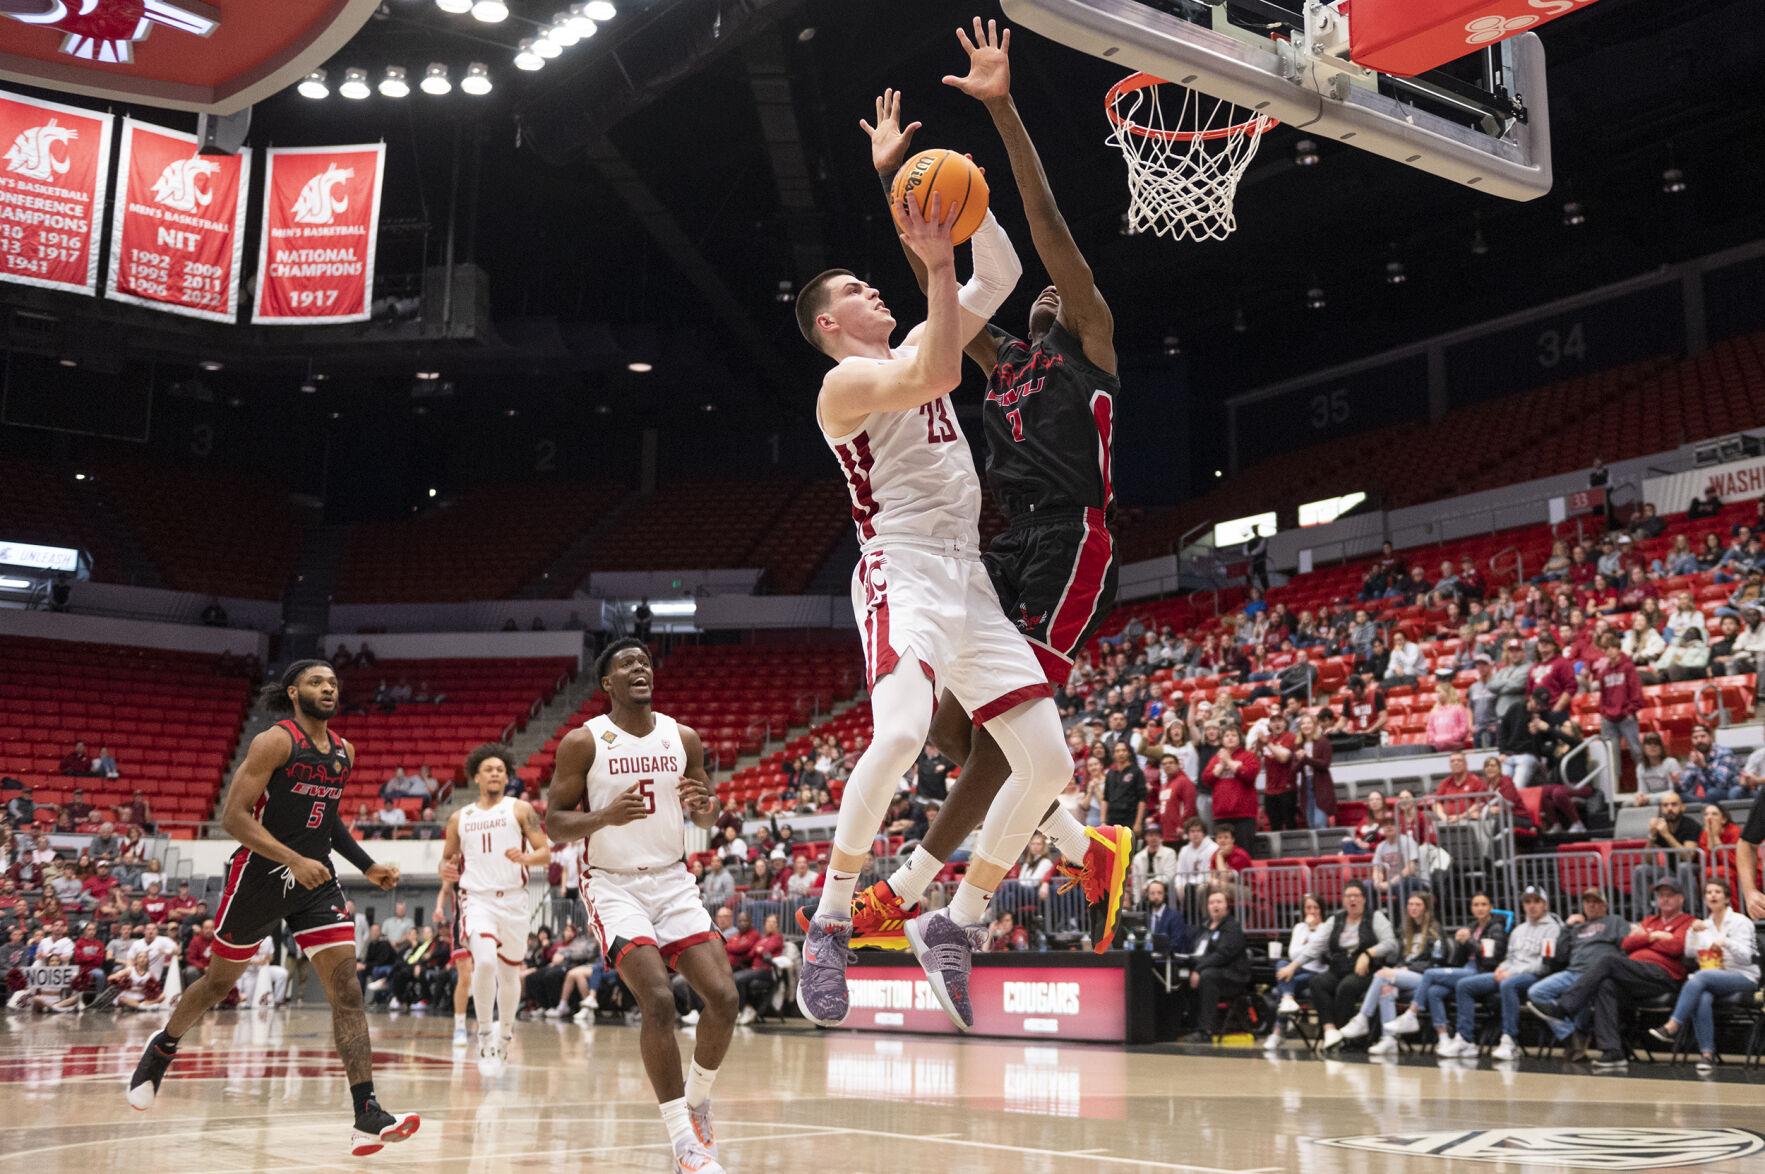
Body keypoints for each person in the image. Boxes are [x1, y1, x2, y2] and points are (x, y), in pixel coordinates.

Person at [793, 37, 1109, 1035]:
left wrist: (908, 182)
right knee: (895, 733)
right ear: (832, 325)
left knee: (1050, 763)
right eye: (853, 289)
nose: (869, 290)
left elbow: (1006, 263)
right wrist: (928, 260)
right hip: (900, 572)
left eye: (872, 279)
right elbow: (932, 375)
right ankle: (831, 919)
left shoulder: (926, 334)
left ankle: (954, 922)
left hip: (969, 578)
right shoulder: (843, 384)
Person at [125, 660, 417, 1157]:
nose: (328, 688)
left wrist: (366, 866)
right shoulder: (274, 742)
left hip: (315, 880)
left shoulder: (344, 752)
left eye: (332, 682)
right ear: (294, 692)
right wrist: (291, 858)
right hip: (259, 874)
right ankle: (163, 1047)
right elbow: (232, 818)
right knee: (219, 982)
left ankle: (367, 1113)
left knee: (347, 989)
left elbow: (329, 820)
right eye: (316, 682)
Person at [544, 638, 735, 1174]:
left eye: (645, 662)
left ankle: (697, 1103)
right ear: (607, 683)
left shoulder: (684, 737)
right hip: (613, 884)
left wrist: (705, 807)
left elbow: (706, 815)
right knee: (659, 1001)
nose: (640, 668)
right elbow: (554, 822)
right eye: (627, 663)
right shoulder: (584, 742)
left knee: (724, 999)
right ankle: (684, 1142)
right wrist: (603, 817)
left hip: (674, 881)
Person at [436, 744, 550, 1075]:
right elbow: (447, 858)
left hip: (514, 899)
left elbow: (545, 851)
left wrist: (526, 858)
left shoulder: (521, 810)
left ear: (507, 775)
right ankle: (484, 1033)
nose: (496, 773)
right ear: (476, 776)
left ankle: (505, 1034)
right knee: (483, 962)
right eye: (489, 769)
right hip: (477, 899)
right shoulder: (460, 818)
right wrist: (445, 870)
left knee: (509, 972)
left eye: (501, 769)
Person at [1539, 879, 1694, 1070]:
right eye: (1661, 895)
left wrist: (1643, 939)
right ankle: (1612, 1052)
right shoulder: (1649, 921)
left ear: (1680, 898)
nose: (1665, 899)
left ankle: (1564, 1008)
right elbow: (1627, 944)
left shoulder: (1688, 921)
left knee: (1608, 961)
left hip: (1662, 975)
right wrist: (1653, 936)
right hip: (1635, 974)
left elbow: (1676, 946)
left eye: (1670, 895)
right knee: (1605, 985)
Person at [1648, 878, 1759, 1070]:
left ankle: (1672, 1025)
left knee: (1699, 977)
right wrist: (1692, 932)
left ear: (1726, 898)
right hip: (1714, 978)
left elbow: (1746, 958)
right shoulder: (1704, 924)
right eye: (1708, 892)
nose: (1712, 895)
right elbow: (1691, 953)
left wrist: (1727, 943)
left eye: (1717, 892)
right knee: (1702, 996)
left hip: (1743, 976)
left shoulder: (1741, 922)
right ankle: (1707, 1055)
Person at [1447, 885, 1561, 1060]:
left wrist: (1512, 972)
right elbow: (1510, 957)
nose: (1532, 905)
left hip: (1534, 976)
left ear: (1545, 905)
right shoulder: (1518, 930)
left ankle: (1510, 1041)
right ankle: (1466, 1040)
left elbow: (1544, 965)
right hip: (1511, 972)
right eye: (1528, 902)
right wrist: (1502, 967)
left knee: (1508, 984)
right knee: (1464, 985)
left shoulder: (1552, 928)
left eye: (1537, 901)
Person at [1388, 891, 1507, 1056]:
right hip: (1466, 968)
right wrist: (1460, 944)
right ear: (1471, 908)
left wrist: (1470, 942)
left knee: (1430, 973)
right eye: (1476, 905)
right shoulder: (1471, 927)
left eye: (1483, 904)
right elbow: (1458, 959)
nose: (1479, 908)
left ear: (1491, 907)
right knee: (1434, 991)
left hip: (1482, 972)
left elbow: (1491, 959)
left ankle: (1412, 1013)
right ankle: (1443, 1037)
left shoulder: (1497, 928)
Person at [1292, 880, 1398, 1050]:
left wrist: (1368, 953)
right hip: (1338, 967)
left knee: (1346, 986)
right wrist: (1293, 966)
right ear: (1343, 900)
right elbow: (1316, 946)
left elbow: (1390, 943)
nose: (1352, 900)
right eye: (1348, 896)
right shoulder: (1336, 919)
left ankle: (1344, 1035)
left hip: (1365, 970)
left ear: (1363, 899)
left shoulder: (1375, 917)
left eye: (1356, 896)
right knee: (1317, 983)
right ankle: (1330, 1029)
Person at [1355, 892, 1447, 1056]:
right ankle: (1389, 1040)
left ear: (1425, 907)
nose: (1413, 908)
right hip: (1408, 977)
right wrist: (1400, 968)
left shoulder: (1435, 928)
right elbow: (1399, 959)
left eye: (1417, 904)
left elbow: (1436, 961)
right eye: (1410, 904)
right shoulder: (1405, 930)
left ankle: (1363, 1017)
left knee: (1382, 975)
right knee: (1386, 989)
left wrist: (1409, 968)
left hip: (1425, 976)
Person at [1183, 888, 1249, 1041]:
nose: (1215, 906)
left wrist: (1199, 969)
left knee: (1207, 976)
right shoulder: (1205, 926)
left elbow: (1223, 954)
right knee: (1182, 973)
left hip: (1233, 976)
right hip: (1210, 968)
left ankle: (1206, 1029)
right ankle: (1189, 1024)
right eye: (1212, 902)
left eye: (1219, 902)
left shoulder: (1232, 927)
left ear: (1227, 906)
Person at [1265, 893, 1328, 1051]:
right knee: (1282, 964)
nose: (1312, 911)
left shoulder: (1326, 928)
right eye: (1308, 908)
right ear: (1303, 910)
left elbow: (1317, 953)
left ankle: (1278, 1031)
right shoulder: (1299, 927)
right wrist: (1308, 940)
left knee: (1285, 979)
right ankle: (1287, 998)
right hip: (1298, 969)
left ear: (1321, 910)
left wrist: (1312, 932)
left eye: (1315, 908)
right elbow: (1293, 954)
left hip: (1317, 973)